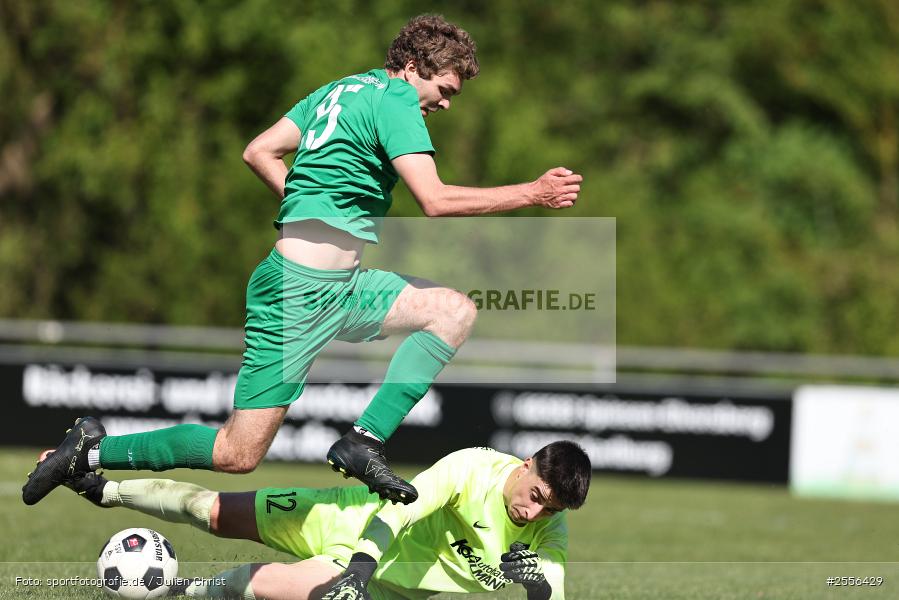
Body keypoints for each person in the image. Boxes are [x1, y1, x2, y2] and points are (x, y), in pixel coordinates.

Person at [22, 14, 582, 507]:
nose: (446, 103)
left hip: (342, 287)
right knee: (237, 453)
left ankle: (363, 441)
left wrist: (311, 208)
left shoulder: (340, 89)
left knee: (453, 311)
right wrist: (532, 193)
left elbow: (259, 150)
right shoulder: (396, 99)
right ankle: (90, 451)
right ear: (413, 67)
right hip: (298, 292)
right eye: (444, 89)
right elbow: (434, 201)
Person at [68, 441, 591, 600]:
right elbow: (401, 507)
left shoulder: (549, 530)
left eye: (551, 509)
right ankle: (102, 489)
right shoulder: (473, 468)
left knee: (269, 587)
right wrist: (359, 569)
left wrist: (537, 587)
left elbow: (553, 592)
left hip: (388, 591)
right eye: (537, 496)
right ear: (526, 465)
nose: (535, 513)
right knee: (212, 512)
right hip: (348, 521)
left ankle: (175, 591)